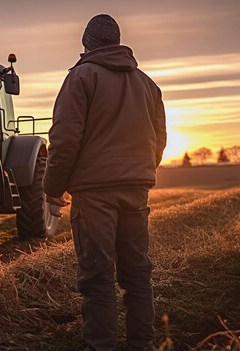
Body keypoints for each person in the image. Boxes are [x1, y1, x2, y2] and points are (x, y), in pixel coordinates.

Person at [43, 14, 167, 351]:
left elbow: (65, 139)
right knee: (138, 274)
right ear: (117, 42)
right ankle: (143, 344)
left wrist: (53, 189)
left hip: (94, 195)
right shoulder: (148, 84)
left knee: (98, 278)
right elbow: (159, 139)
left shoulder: (80, 77)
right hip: (136, 190)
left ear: (86, 44)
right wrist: (142, 173)